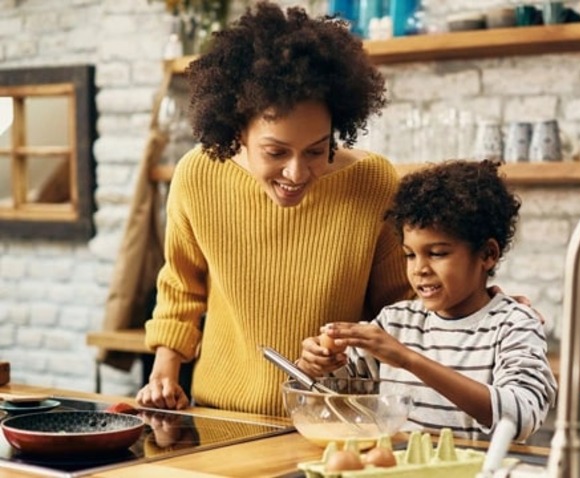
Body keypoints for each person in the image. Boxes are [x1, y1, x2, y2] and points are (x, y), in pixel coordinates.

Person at [135, 2, 412, 415]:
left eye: (317, 150)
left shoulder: (374, 183)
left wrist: (479, 305)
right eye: (276, 151)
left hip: (336, 418)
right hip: (222, 416)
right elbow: (181, 285)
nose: (297, 172)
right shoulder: (198, 176)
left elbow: (402, 309)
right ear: (236, 131)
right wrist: (164, 373)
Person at [299, 160, 557, 442]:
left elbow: (521, 417)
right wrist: (317, 364)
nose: (419, 268)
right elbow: (338, 393)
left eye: (437, 253)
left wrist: (408, 360)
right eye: (410, 255)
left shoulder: (514, 324)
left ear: (487, 254)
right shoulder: (395, 321)